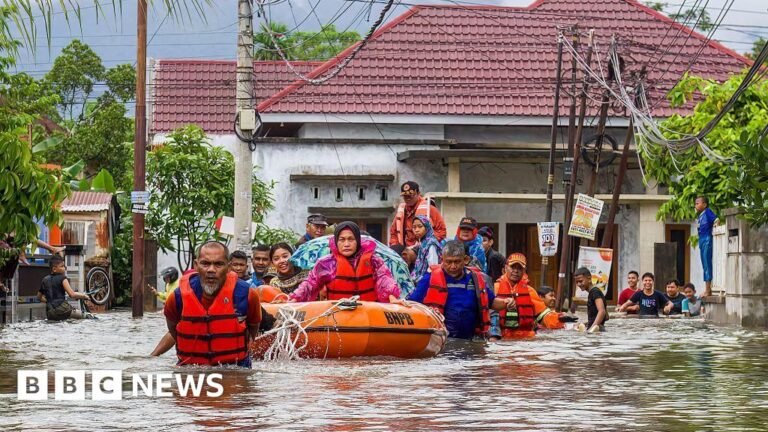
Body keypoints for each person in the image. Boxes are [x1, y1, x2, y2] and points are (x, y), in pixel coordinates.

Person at [163, 241, 261, 367]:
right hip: (190, 368)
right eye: (205, 263)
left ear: (228, 267)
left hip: (235, 367)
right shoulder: (177, 298)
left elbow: (253, 327)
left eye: (219, 264)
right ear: (196, 265)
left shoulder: (247, 295)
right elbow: (173, 329)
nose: (211, 270)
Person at [408, 240, 515, 340]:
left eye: (457, 262)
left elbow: (491, 302)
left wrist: (506, 303)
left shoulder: (475, 279)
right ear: (442, 260)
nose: (453, 266)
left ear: (466, 260)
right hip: (441, 340)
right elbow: (412, 303)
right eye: (448, 262)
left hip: (471, 339)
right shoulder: (430, 277)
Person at [289, 222, 401, 303]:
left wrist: (392, 297)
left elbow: (384, 279)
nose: (346, 244)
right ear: (336, 242)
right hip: (339, 314)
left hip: (370, 313)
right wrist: (294, 298)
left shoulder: (373, 260)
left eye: (351, 239)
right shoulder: (326, 263)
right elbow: (310, 284)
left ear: (357, 241)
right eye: (342, 240)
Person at [493, 252, 565, 339]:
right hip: (501, 339)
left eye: (519, 268)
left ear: (524, 271)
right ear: (505, 268)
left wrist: (560, 319)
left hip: (526, 340)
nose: (516, 271)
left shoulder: (530, 291)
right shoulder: (494, 289)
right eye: (513, 267)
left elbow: (544, 316)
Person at [389, 181, 447, 247]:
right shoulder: (401, 211)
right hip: (405, 249)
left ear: (418, 193)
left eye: (410, 195)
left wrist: (427, 242)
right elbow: (393, 232)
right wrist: (394, 244)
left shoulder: (429, 209)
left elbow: (442, 231)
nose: (408, 198)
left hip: (424, 248)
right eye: (405, 196)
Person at [37, 255, 89, 320]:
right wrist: (84, 296)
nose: (64, 268)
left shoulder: (44, 280)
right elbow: (72, 294)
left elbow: (39, 297)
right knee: (85, 317)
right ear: (54, 269)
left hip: (50, 313)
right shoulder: (63, 278)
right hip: (63, 310)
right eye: (62, 266)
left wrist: (50, 301)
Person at [695, 196, 719, 296]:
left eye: (697, 203)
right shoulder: (700, 215)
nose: (695, 205)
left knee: (707, 264)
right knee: (704, 264)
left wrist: (716, 225)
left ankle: (708, 290)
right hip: (701, 239)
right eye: (695, 203)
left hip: (707, 239)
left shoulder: (707, 212)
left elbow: (716, 219)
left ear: (704, 204)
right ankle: (707, 288)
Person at [574, 267, 608, 332]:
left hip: (596, 331)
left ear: (589, 279)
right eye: (577, 282)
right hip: (600, 329)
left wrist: (590, 330)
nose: (579, 284)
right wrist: (584, 324)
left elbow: (602, 311)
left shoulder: (594, 292)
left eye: (581, 281)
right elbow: (606, 317)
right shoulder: (596, 292)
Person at [411, 215, 442, 281]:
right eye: (414, 227)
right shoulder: (423, 243)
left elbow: (433, 267)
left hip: (427, 281)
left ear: (427, 227)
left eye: (420, 226)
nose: (416, 230)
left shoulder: (431, 244)